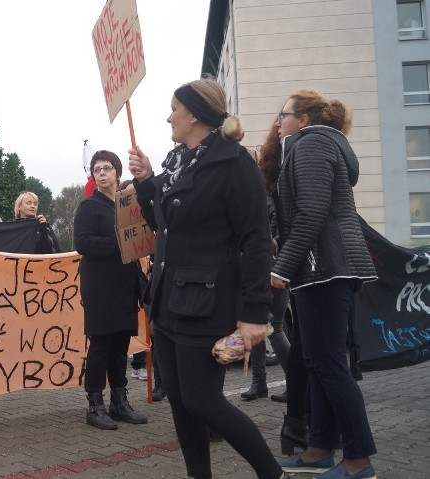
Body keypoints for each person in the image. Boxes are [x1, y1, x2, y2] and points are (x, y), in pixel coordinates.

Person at [128, 78, 284, 479]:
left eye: (174, 109)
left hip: (207, 304)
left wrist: (254, 314)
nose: (168, 117)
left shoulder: (234, 163)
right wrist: (147, 183)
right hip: (166, 302)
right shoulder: (178, 162)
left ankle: (273, 473)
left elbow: (256, 241)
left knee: (204, 401)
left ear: (194, 113)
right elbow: (163, 226)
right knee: (180, 402)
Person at [271, 90, 378, 479]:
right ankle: (318, 449)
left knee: (331, 364)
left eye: (281, 114)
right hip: (322, 268)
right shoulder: (307, 144)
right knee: (318, 363)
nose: (276, 122)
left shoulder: (312, 144)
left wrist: (282, 266)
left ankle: (358, 460)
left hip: (324, 267)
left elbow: (312, 211)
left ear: (302, 118)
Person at [74, 150, 148, 431]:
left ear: (117, 172)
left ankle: (120, 401)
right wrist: (121, 242)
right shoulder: (89, 207)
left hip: (124, 283)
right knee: (102, 345)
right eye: (97, 169)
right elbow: (83, 243)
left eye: (107, 168)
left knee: (121, 346)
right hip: (100, 286)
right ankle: (95, 405)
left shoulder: (127, 204)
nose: (102, 173)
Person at [241, 127, 292, 402]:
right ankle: (259, 383)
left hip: (271, 271)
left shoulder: (264, 200)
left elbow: (271, 238)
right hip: (269, 270)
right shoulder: (263, 198)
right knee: (262, 327)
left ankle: (297, 384)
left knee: (274, 326)